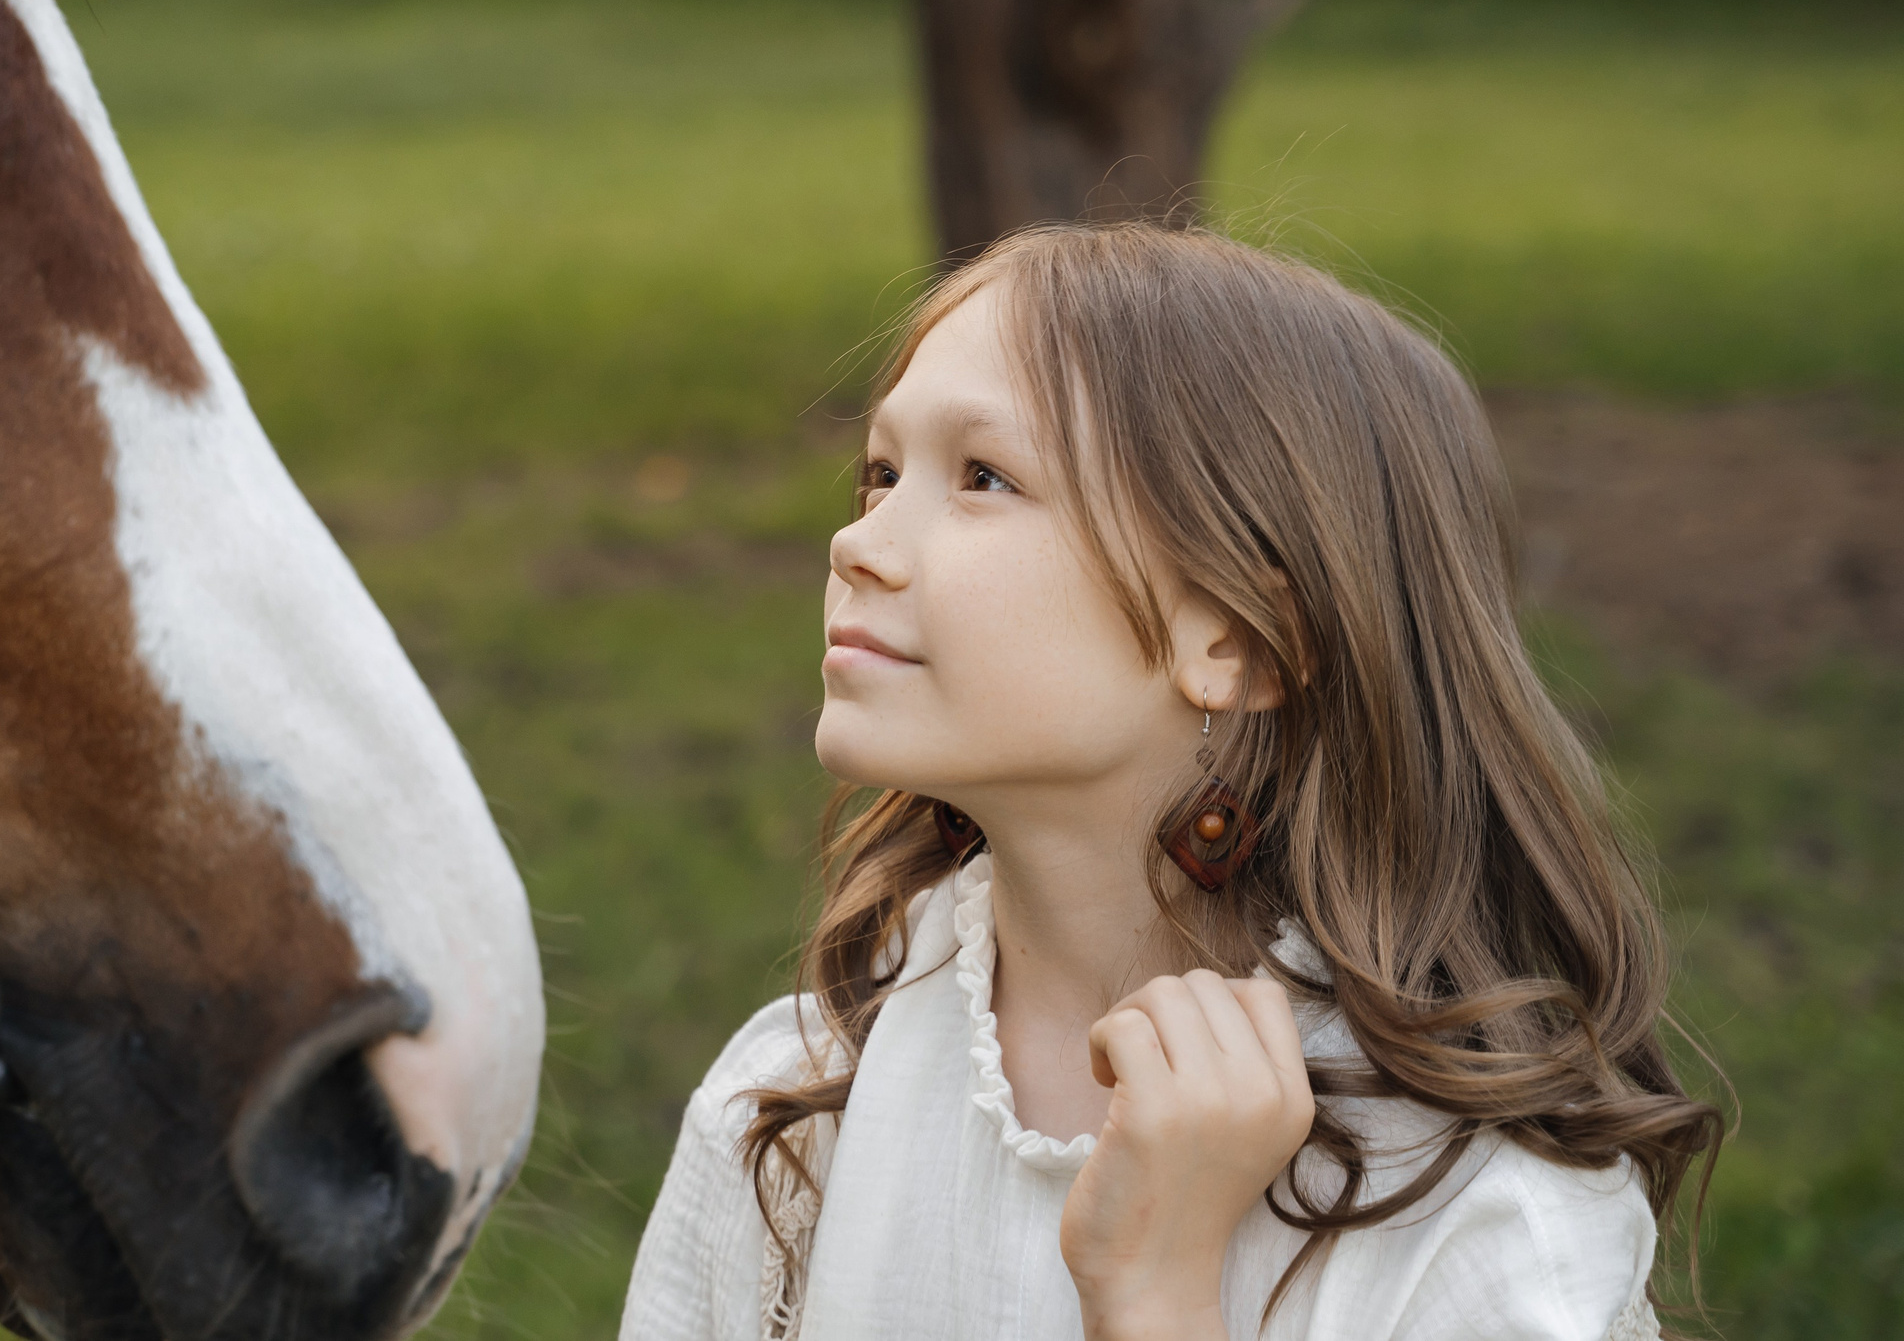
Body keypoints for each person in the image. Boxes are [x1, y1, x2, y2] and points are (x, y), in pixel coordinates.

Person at [620, 225, 1723, 1341]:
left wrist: (1156, 1298)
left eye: (984, 477)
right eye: (882, 473)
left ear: (1239, 640)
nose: (857, 543)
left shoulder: (1472, 1220)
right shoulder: (796, 1106)